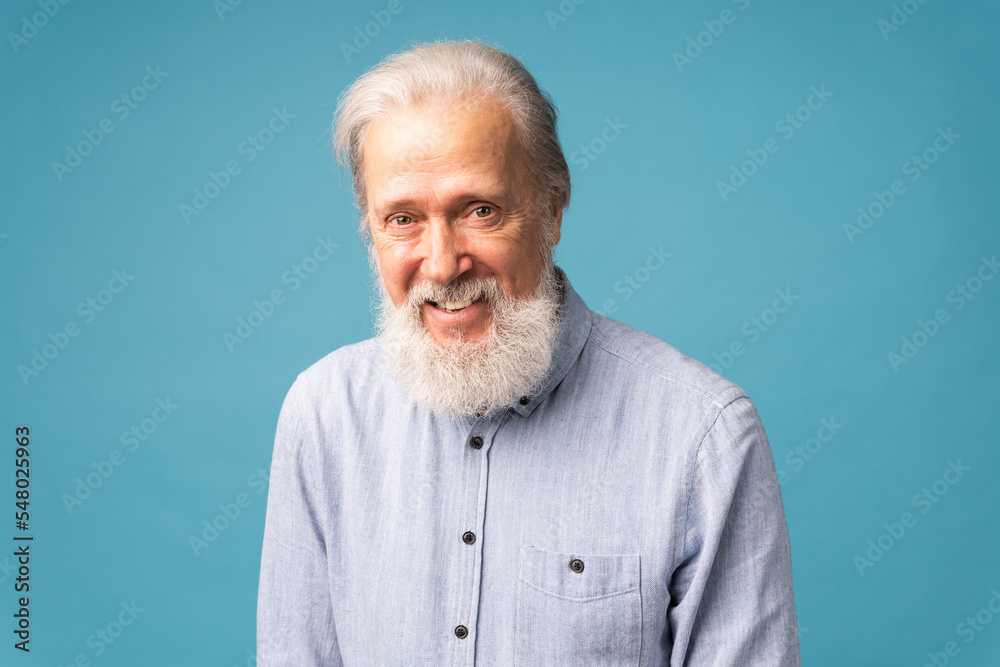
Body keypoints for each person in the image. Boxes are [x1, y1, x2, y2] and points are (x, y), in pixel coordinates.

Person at [257, 39, 801, 666]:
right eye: (402, 219)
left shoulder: (703, 437)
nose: (441, 264)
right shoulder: (323, 415)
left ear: (552, 210)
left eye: (480, 210)